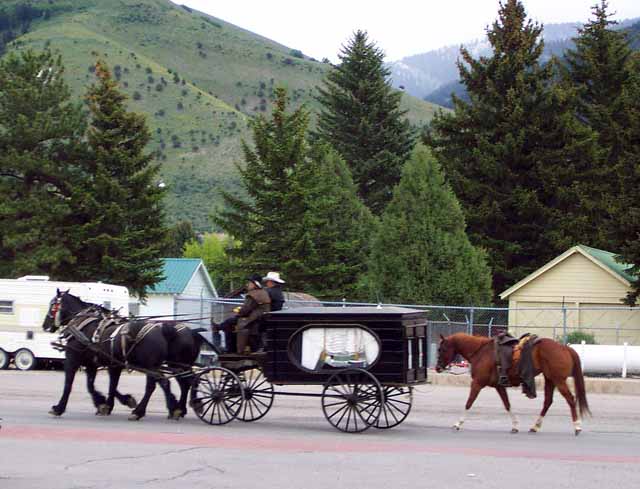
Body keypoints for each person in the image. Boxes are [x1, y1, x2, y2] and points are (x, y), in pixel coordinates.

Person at [212, 274, 271, 354]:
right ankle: (219, 329)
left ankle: (230, 348)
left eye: (249, 283)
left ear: (255, 284)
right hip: (259, 318)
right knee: (231, 321)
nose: (248, 285)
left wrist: (238, 313)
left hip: (253, 320)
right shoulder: (263, 292)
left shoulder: (253, 295)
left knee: (229, 323)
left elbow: (245, 310)